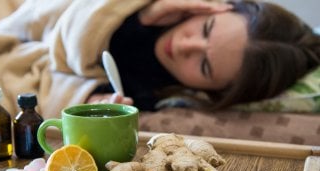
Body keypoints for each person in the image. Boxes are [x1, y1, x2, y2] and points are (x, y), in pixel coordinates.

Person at [84, 0, 320, 111]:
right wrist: (137, 14)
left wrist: (84, 100)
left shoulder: (150, 100)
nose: (184, 46)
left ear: (215, 91)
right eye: (206, 28)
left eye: (204, 66)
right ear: (220, 5)